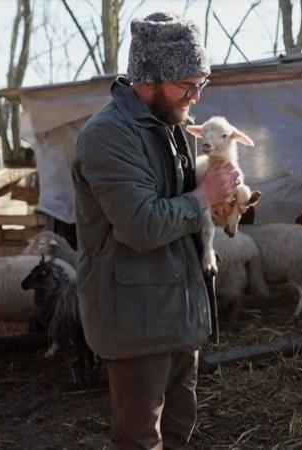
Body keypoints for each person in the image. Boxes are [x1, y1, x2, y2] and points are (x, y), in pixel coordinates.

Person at [71, 12, 241, 450]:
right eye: (188, 85)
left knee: (179, 430)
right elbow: (141, 226)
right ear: (150, 78)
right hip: (135, 318)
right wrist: (202, 198)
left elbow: (183, 203)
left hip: (179, 308)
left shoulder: (170, 126)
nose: (196, 96)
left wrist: (221, 204)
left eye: (202, 84)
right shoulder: (109, 136)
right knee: (139, 440)